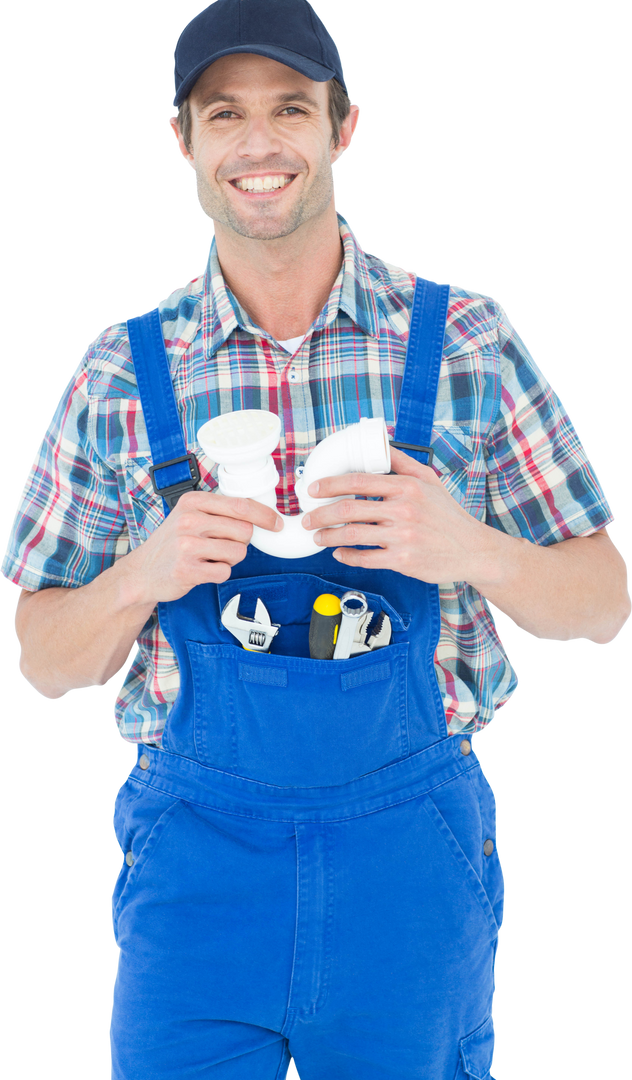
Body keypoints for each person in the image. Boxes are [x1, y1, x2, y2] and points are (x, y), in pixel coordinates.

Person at [3, 1, 629, 1077]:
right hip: (197, 876)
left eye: (290, 109)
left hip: (407, 870)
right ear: (181, 143)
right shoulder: (123, 368)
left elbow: (603, 604)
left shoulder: (465, 336)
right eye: (223, 113)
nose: (258, 143)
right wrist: (143, 576)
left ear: (341, 131)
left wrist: (470, 546)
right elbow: (44, 662)